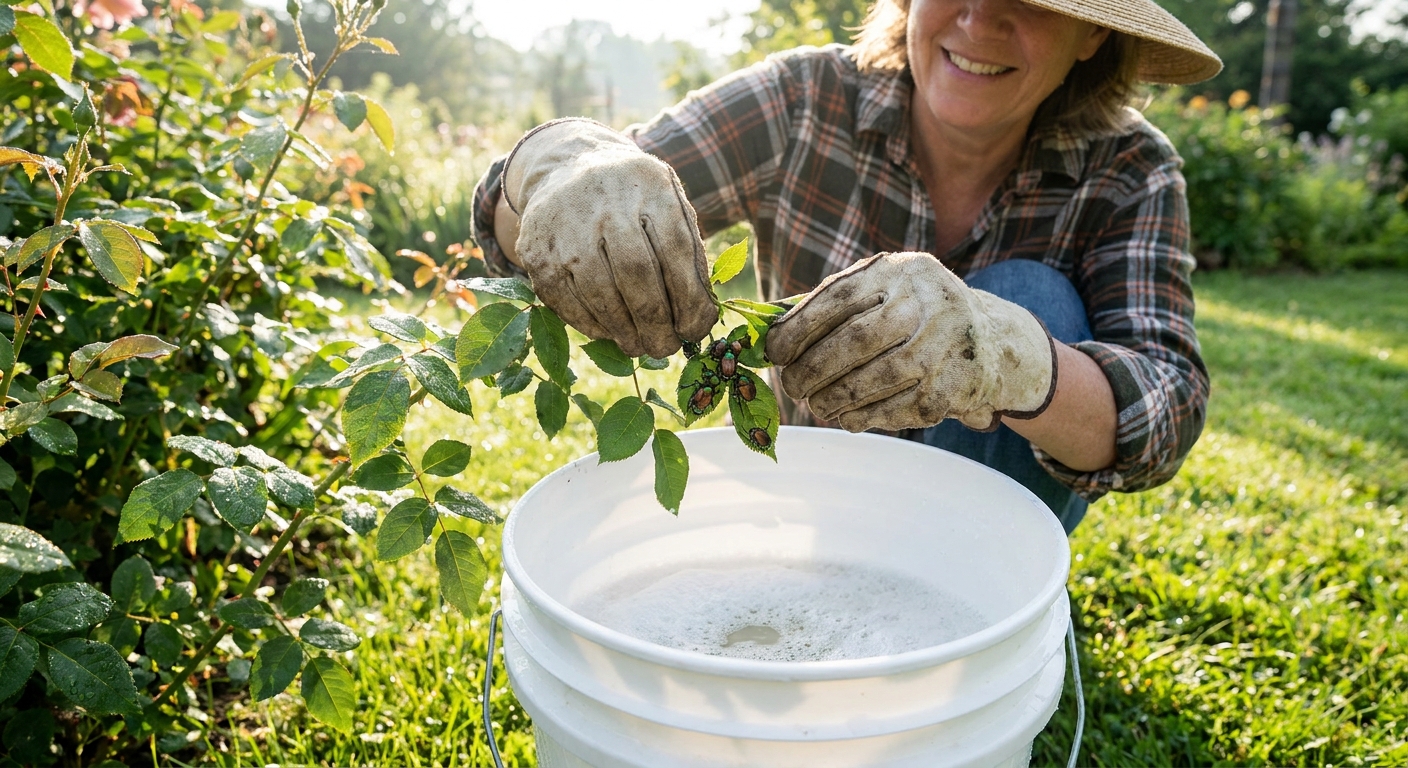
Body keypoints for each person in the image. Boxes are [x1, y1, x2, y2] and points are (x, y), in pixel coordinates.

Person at [471, 0, 1219, 533]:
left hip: (988, 523)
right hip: (813, 493)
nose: (980, 20)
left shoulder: (1130, 169)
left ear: (1092, 34)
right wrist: (563, 167)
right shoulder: (806, 100)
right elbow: (548, 221)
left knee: (1030, 296)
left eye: (1034, 0)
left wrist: (1002, 355)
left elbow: (1166, 410)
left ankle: (959, 610)